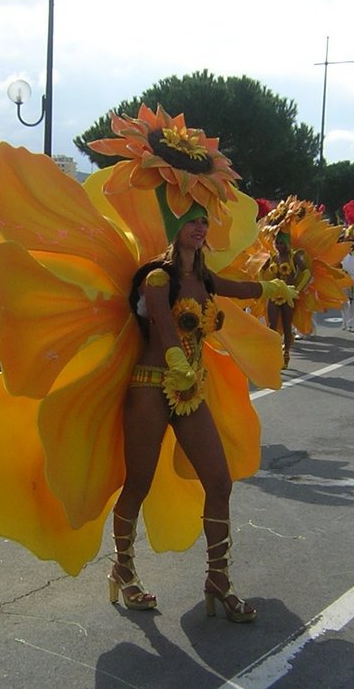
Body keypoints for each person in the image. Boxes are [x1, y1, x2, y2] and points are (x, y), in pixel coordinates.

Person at [108, 202, 297, 620]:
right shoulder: (158, 278)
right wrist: (176, 359)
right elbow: (164, 323)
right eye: (191, 220)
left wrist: (270, 290)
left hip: (188, 391)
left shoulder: (204, 278)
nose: (199, 227)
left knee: (219, 482)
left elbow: (237, 288)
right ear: (175, 227)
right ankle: (123, 568)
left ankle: (218, 578)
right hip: (151, 388)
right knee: (137, 483)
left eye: (203, 221)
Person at [258, 230, 310, 368]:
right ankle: (273, 353)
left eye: (282, 243)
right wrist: (264, 287)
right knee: (272, 325)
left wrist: (297, 289)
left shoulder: (294, 257)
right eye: (277, 243)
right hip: (274, 295)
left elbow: (307, 272)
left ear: (287, 244)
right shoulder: (273, 258)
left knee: (287, 326)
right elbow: (260, 270)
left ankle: (286, 353)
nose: (279, 246)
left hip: (288, 296)